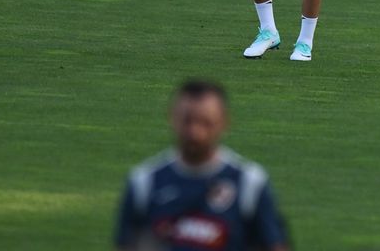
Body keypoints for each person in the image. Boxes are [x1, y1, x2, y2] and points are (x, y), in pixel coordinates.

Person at [114, 80, 290, 251]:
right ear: (172, 118)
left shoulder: (250, 183)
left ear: (224, 122)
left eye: (206, 123)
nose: (195, 133)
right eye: (187, 121)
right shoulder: (144, 182)